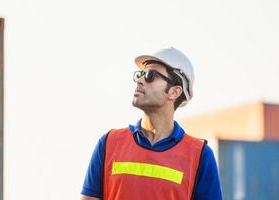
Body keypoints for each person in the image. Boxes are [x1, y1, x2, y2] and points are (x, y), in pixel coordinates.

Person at [80, 47, 222, 200]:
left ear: (174, 92)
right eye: (140, 74)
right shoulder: (109, 143)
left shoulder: (200, 155)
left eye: (150, 75)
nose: (140, 81)